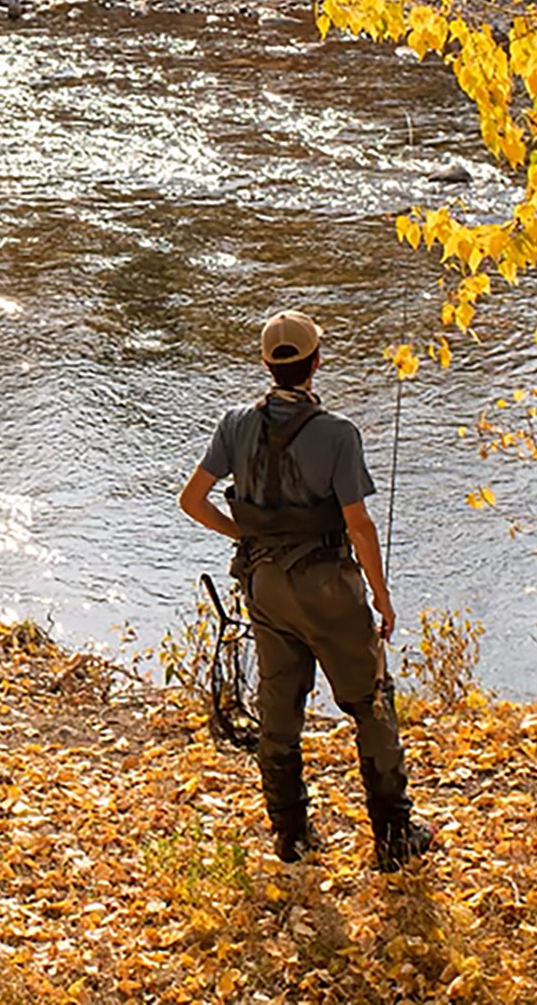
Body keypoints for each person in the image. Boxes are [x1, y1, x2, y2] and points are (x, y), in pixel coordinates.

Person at [178, 309, 435, 870]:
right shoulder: (340, 434)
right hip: (328, 589)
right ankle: (394, 839)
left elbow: (192, 502)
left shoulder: (232, 424)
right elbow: (360, 527)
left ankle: (292, 838)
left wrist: (242, 531)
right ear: (317, 363)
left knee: (280, 707)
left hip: (264, 584)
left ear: (267, 364)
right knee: (369, 703)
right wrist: (382, 598)